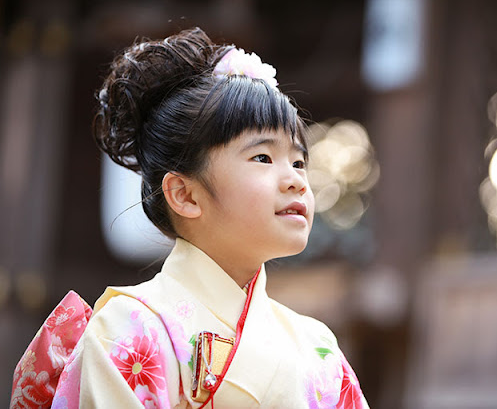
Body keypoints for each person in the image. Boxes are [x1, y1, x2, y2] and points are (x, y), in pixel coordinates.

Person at [13, 27, 368, 408]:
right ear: (184, 194)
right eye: (263, 157)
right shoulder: (128, 329)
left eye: (299, 162)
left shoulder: (318, 347)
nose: (296, 180)